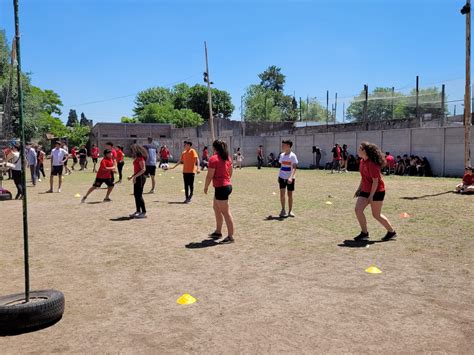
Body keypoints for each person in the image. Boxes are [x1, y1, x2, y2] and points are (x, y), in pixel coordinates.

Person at [353, 142, 397, 242]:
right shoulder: (362, 161)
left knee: (376, 215)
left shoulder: (372, 164)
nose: (358, 150)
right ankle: (364, 233)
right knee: (358, 210)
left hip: (377, 191)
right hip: (365, 190)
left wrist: (371, 196)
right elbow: (363, 177)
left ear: (365, 151)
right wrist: (359, 189)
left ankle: (391, 232)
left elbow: (375, 181)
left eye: (360, 148)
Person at [204, 139, 235, 244]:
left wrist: (206, 187)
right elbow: (230, 172)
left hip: (222, 188)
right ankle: (218, 232)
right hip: (223, 186)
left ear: (214, 148)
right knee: (216, 208)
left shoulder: (213, 159)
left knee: (225, 212)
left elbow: (209, 176)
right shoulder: (227, 158)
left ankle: (230, 236)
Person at [278, 140, 298, 218]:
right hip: (282, 177)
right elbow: (281, 166)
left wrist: (290, 177)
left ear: (288, 146)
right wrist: (278, 176)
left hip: (290, 178)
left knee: (290, 195)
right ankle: (283, 210)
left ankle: (290, 211)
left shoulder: (293, 156)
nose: (282, 146)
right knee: (282, 194)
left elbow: (294, 168)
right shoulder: (282, 155)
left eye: (284, 145)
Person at [128, 144, 148, 218]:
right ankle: (138, 211)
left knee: (139, 195)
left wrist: (135, 177)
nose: (132, 152)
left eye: (132, 150)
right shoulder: (137, 158)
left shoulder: (140, 158)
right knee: (136, 195)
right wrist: (132, 176)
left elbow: (143, 169)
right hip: (138, 177)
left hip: (141, 178)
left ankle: (143, 212)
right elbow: (138, 170)